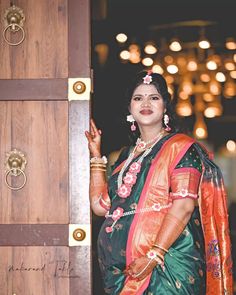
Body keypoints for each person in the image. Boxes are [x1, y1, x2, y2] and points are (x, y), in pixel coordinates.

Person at [85, 70, 233, 294]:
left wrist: (154, 255)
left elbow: (183, 206)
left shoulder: (181, 147)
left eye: (154, 97)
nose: (145, 103)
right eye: (138, 98)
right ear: (130, 108)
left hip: (168, 267)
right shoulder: (126, 156)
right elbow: (100, 206)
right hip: (121, 272)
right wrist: (96, 156)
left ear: (165, 106)